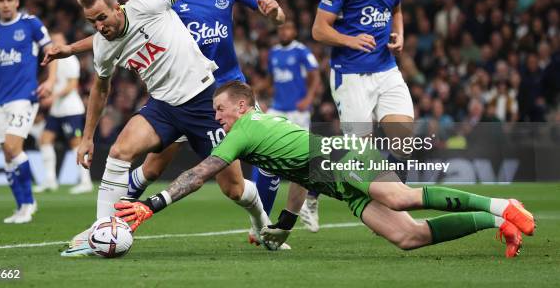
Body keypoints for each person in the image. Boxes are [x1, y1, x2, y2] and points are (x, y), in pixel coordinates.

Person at [46, 0, 292, 248]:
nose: (99, 27)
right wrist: (88, 136)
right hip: (164, 105)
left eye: (102, 18)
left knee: (234, 188)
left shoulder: (151, 3)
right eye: (92, 22)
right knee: (120, 153)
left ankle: (262, 223)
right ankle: (100, 231)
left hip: (208, 97)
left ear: (118, 7)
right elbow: (100, 88)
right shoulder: (103, 44)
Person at [115, 81, 535, 258]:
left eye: (220, 111)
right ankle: (494, 222)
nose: (217, 119)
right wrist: (284, 223)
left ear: (241, 107)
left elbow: (201, 172)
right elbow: (301, 170)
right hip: (330, 176)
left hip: (343, 155)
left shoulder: (243, 129)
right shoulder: (262, 127)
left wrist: (153, 203)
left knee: (398, 195)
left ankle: (504, 205)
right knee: (409, 236)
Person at [312, 0, 414, 176]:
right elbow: (319, 29)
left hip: (386, 69)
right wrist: (350, 40)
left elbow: (397, 9)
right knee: (363, 154)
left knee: (404, 143)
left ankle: (394, 201)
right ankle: (315, 190)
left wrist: (399, 34)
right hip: (350, 74)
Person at [0, 0, 56, 224]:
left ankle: (30, 202)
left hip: (25, 96)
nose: (6, 5)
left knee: (13, 148)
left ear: (17, 1)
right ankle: (21, 206)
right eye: (1, 0)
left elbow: (52, 52)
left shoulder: (31, 24)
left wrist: (51, 81)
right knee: (8, 156)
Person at [266, 20, 322, 232]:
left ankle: (309, 199)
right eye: (281, 29)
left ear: (294, 31)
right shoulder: (273, 52)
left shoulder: (301, 51)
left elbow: (315, 75)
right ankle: (263, 186)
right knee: (262, 143)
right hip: (277, 108)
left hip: (297, 110)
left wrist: (309, 98)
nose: (284, 32)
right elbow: (272, 79)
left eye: (288, 28)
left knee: (307, 154)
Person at [34, 32, 92, 194]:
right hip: (57, 110)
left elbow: (72, 85)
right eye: (53, 40)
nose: (55, 43)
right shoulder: (53, 61)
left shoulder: (70, 60)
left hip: (70, 109)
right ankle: (50, 180)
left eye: (58, 40)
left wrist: (53, 97)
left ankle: (85, 181)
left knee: (76, 144)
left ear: (65, 42)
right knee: (45, 140)